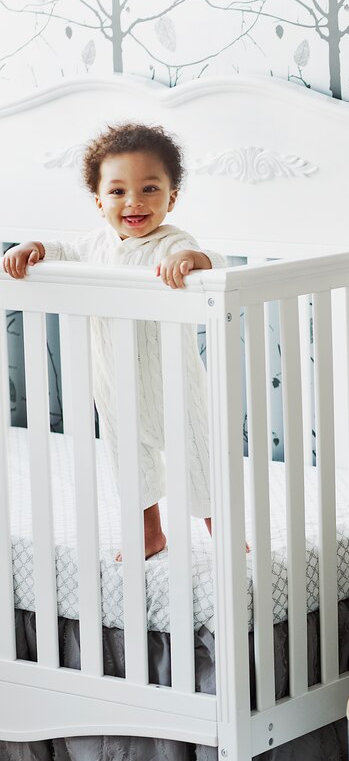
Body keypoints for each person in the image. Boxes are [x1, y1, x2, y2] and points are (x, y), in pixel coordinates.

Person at [2, 122, 220, 559]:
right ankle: (149, 534)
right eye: (118, 191)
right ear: (99, 200)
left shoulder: (171, 243)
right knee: (130, 462)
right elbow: (59, 252)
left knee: (199, 458)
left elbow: (211, 261)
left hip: (172, 383)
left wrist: (189, 259)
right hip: (114, 384)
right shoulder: (92, 245)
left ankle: (225, 534)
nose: (134, 202)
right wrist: (33, 248)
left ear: (171, 198)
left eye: (150, 189)